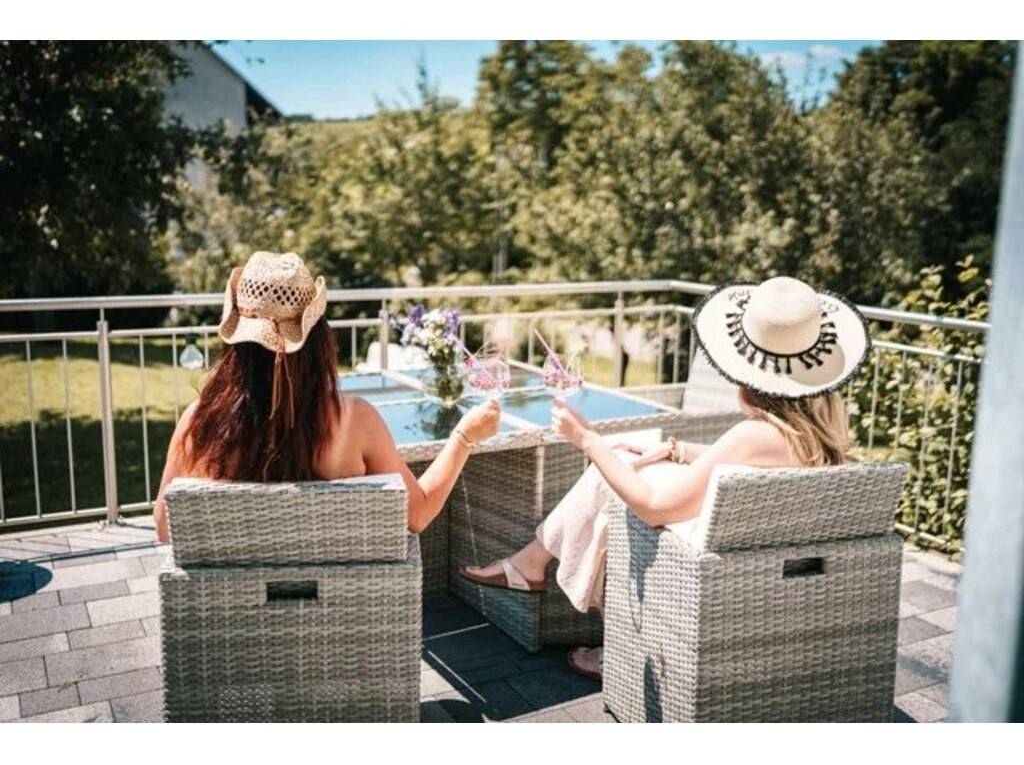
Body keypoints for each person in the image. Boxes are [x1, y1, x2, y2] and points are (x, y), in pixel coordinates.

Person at [461, 276, 870, 680]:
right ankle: (532, 562)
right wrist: (676, 450)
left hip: (710, 554)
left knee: (612, 482)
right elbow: (746, 462)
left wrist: (587, 440)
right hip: (762, 550)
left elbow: (655, 510)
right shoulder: (817, 436)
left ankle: (608, 639)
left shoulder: (752, 433)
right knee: (623, 458)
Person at [152, 251, 500, 543]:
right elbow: (418, 515)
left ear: (236, 345)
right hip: (338, 603)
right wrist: (464, 437)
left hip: (231, 603)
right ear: (317, 339)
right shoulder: (354, 420)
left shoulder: (199, 422)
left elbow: (165, 527)